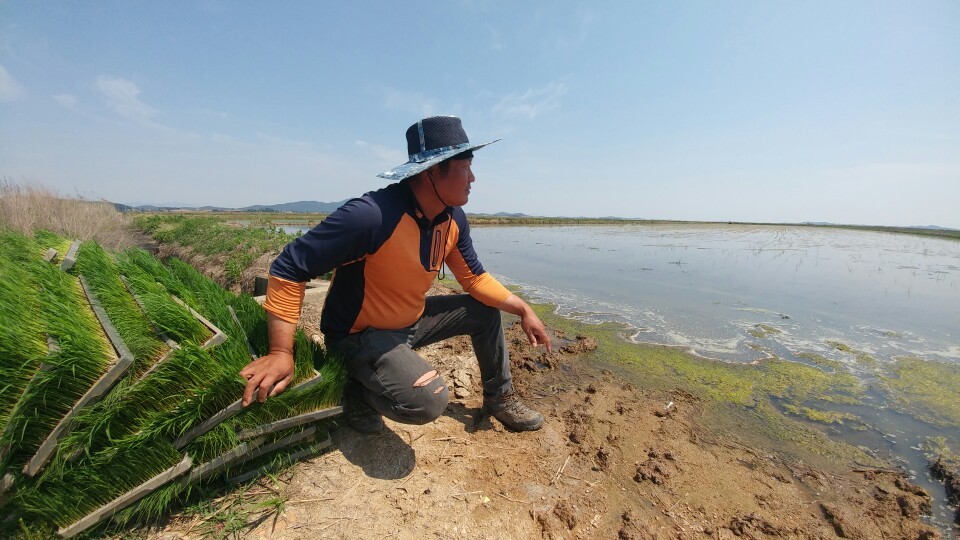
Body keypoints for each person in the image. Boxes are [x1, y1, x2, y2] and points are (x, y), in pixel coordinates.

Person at [239, 116, 551, 433]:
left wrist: (523, 309)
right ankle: (355, 392)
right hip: (359, 335)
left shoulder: (452, 219)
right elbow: (290, 266)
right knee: (429, 401)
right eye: (464, 167)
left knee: (485, 311)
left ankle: (500, 397)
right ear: (431, 171)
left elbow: (474, 279)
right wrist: (280, 352)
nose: (472, 178)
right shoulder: (372, 216)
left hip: (410, 322)